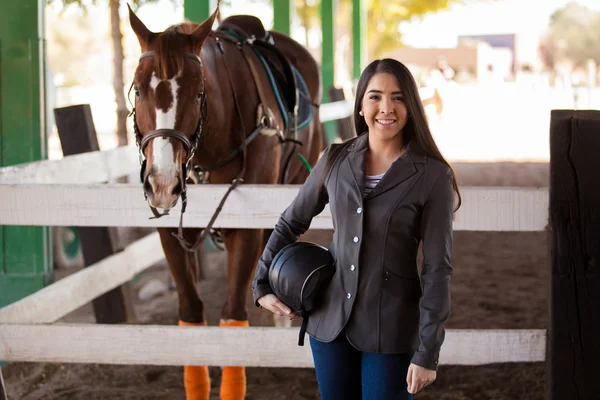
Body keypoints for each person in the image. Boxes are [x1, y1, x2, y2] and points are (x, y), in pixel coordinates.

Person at [252, 58, 461, 399]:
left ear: (410, 105)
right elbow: (291, 221)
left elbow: (438, 268)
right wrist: (261, 284)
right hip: (329, 324)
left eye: (397, 97)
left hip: (392, 330)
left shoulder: (432, 176)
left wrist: (428, 351)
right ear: (361, 106)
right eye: (375, 96)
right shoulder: (334, 159)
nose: (386, 108)